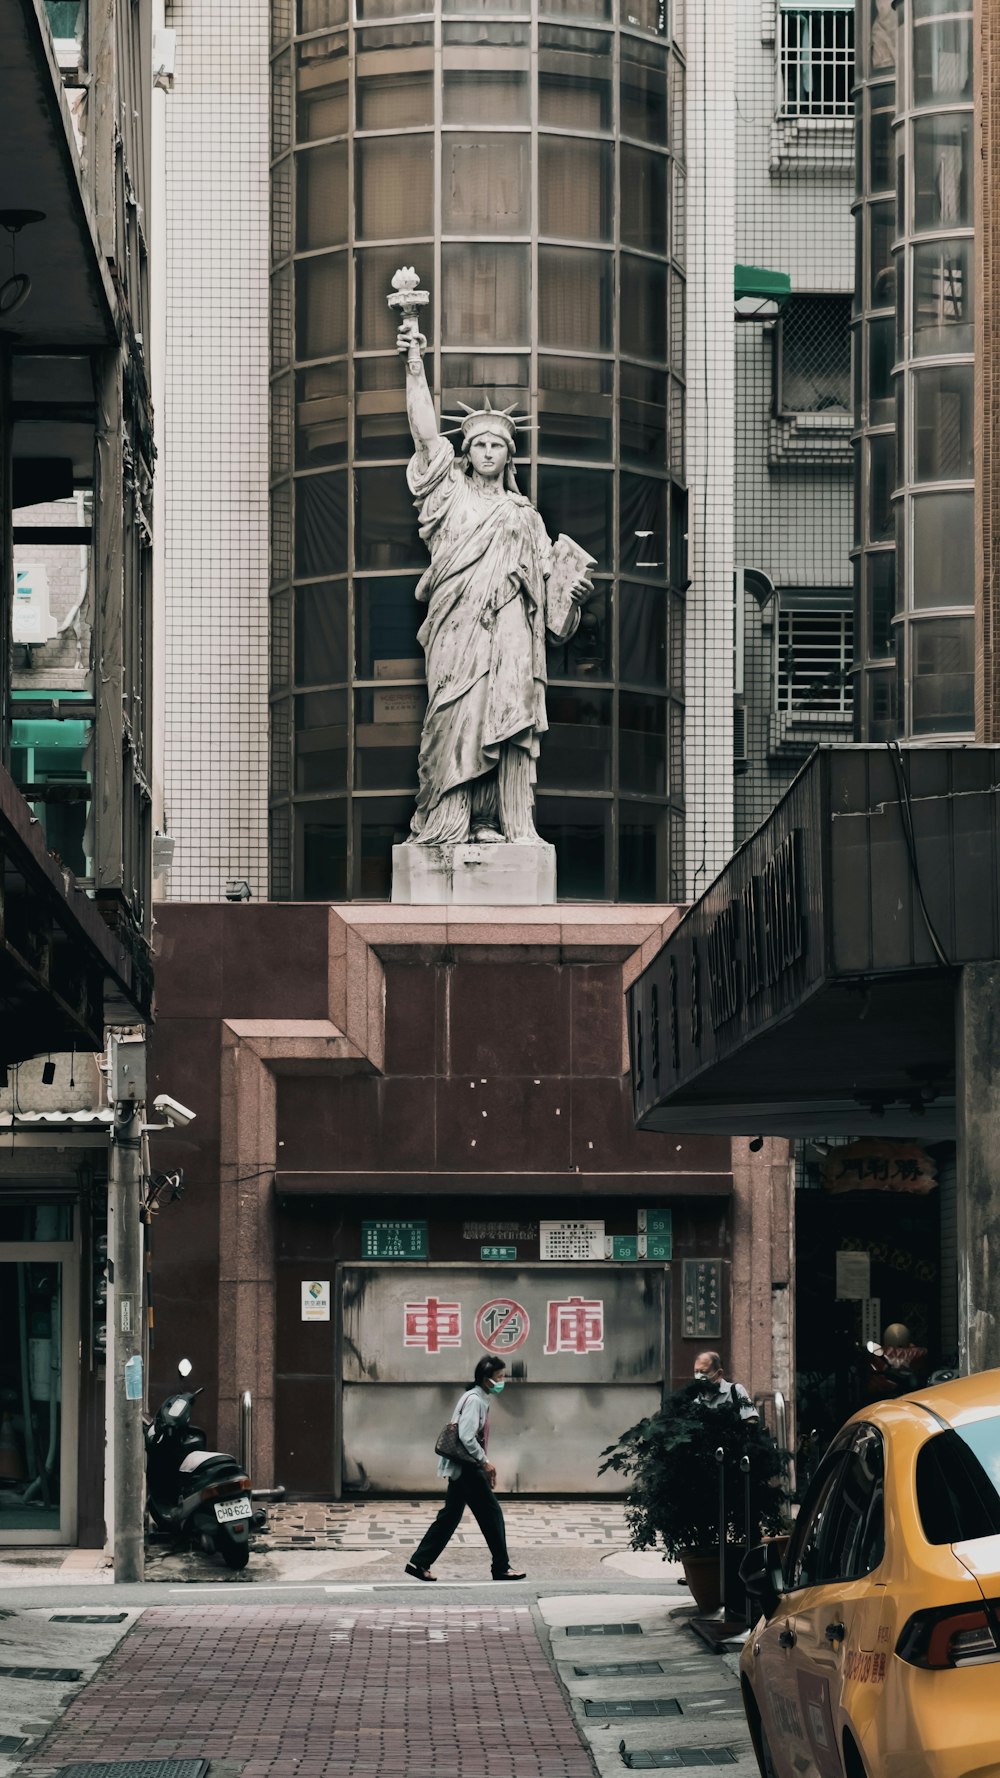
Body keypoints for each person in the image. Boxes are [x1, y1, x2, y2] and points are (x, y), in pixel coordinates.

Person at [394, 306, 592, 846]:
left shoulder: (525, 516)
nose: (486, 451)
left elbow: (553, 614)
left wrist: (571, 594)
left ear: (508, 456)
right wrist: (415, 362)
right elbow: (423, 434)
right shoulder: (449, 494)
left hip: (508, 636)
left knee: (506, 724)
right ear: (467, 450)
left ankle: (504, 823)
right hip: (455, 632)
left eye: (497, 445)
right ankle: (447, 821)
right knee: (452, 718)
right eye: (479, 443)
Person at [405, 1355, 525, 1582]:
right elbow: (466, 1436)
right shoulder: (474, 1400)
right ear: (486, 1379)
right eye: (499, 1377)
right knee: (492, 1514)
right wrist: (484, 1461)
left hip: (463, 1469)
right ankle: (501, 1567)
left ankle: (419, 1562)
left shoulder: (477, 1397)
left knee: (450, 1517)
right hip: (468, 1468)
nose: (502, 1381)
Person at [692, 1351, 759, 1423]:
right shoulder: (693, 1397)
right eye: (696, 1372)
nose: (698, 1376)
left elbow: (751, 1420)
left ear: (719, 1373)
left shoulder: (735, 1391)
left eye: (704, 1372)